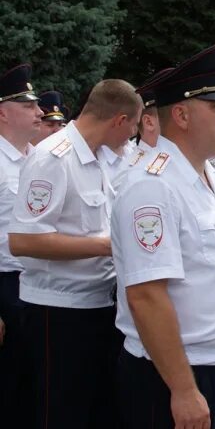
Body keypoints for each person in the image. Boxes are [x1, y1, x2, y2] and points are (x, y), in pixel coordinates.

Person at [111, 44, 215, 428]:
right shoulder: (153, 188)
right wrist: (184, 390)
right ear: (181, 114)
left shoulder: (204, 176)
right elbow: (146, 296)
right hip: (175, 372)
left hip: (212, 364)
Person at [9, 79, 142, 428]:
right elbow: (24, 240)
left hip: (97, 304)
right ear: (119, 120)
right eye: (132, 127)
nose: (131, 137)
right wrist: (110, 246)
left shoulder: (99, 159)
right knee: (60, 411)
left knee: (93, 409)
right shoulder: (54, 157)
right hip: (58, 311)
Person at [0, 63, 42, 425]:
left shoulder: (38, 158)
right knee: (7, 382)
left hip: (36, 283)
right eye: (28, 105)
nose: (39, 112)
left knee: (32, 381)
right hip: (5, 284)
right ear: (3, 112)